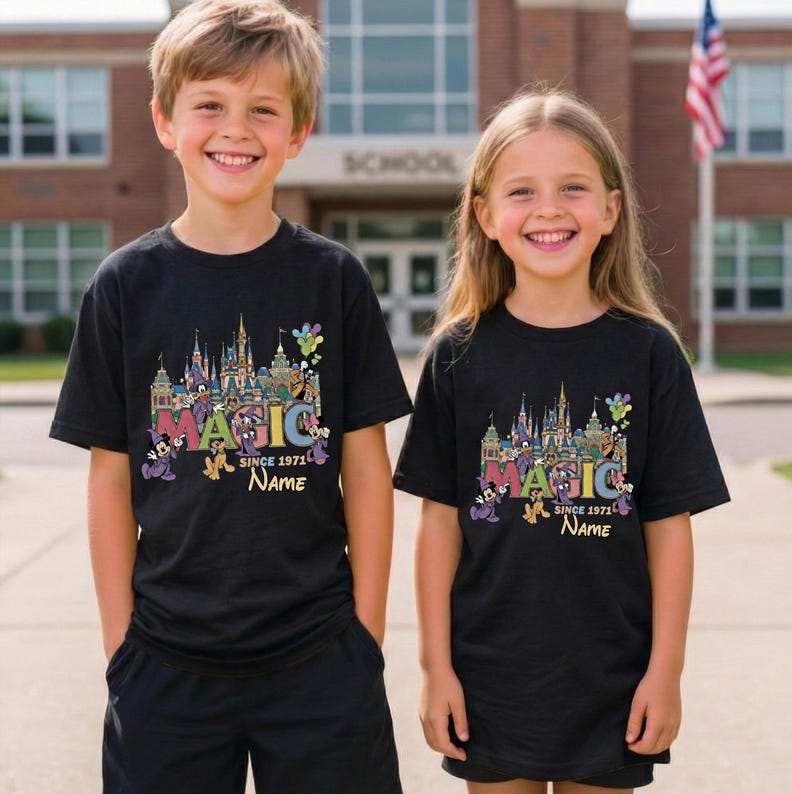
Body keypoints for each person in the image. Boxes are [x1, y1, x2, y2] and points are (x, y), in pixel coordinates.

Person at [49, 2, 411, 792]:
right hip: (167, 659)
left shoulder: (333, 280)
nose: (234, 128)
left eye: (263, 110)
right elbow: (111, 479)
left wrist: (366, 639)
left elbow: (366, 470)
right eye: (209, 104)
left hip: (319, 655)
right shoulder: (125, 287)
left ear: (299, 131)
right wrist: (122, 648)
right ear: (165, 122)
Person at [393, 88, 730, 794]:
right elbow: (439, 524)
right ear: (484, 216)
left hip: (612, 673)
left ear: (610, 210)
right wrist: (436, 670)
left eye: (572, 188)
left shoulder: (649, 355)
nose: (548, 209)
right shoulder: (457, 356)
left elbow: (669, 528)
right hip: (491, 672)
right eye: (521, 191)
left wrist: (665, 672)